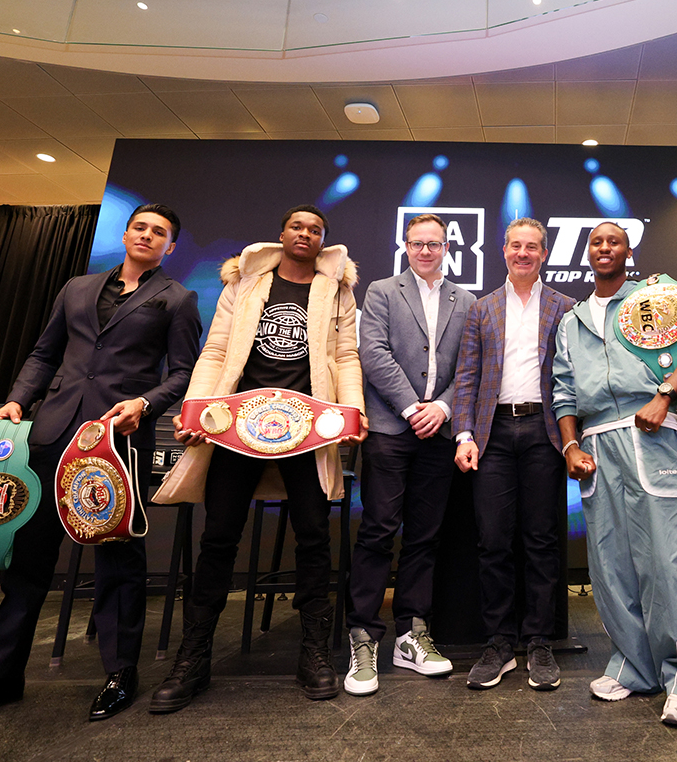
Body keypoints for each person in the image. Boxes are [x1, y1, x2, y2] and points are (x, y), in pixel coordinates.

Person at [0, 204, 202, 731]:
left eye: (159, 232)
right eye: (140, 227)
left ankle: (120, 672)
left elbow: (184, 372)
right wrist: (17, 400)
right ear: (127, 233)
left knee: (118, 561)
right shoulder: (76, 287)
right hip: (49, 435)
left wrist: (146, 403)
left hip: (116, 440)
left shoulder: (178, 299)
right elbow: (44, 353)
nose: (147, 235)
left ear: (171, 246)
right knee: (27, 559)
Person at [151, 204, 367, 709]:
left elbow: (345, 356)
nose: (305, 234)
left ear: (323, 241)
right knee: (218, 537)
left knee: (314, 537)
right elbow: (215, 350)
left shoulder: (337, 290)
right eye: (297, 226)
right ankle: (193, 659)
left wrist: (352, 412)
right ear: (282, 233)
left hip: (308, 428)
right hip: (237, 427)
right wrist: (195, 410)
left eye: (315, 230)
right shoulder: (246, 283)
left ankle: (314, 655)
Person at [551, 223, 677, 726]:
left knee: (671, 560)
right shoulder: (572, 321)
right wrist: (570, 445)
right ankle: (633, 667)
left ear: (629, 251)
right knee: (611, 566)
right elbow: (564, 390)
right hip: (596, 446)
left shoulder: (653, 298)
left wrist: (665, 394)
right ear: (587, 253)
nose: (605, 248)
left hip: (650, 435)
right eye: (596, 242)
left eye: (614, 241)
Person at [344, 214, 476, 694]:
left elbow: (470, 365)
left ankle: (411, 635)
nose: (425, 250)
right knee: (378, 531)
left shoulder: (467, 300)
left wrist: (441, 408)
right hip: (390, 428)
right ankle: (362, 637)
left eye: (433, 244)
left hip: (439, 432)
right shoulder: (382, 291)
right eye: (417, 243)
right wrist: (410, 407)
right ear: (405, 245)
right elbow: (373, 353)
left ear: (447, 248)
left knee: (424, 536)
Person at [451, 217, 575, 691]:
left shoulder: (566, 308)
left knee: (542, 539)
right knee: (493, 541)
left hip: (544, 431)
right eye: (516, 246)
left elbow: (574, 377)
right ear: (503, 250)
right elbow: (466, 377)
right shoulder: (481, 309)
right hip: (493, 434)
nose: (523, 253)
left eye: (532, 247)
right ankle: (500, 642)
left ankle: (539, 641)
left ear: (544, 254)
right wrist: (464, 435)